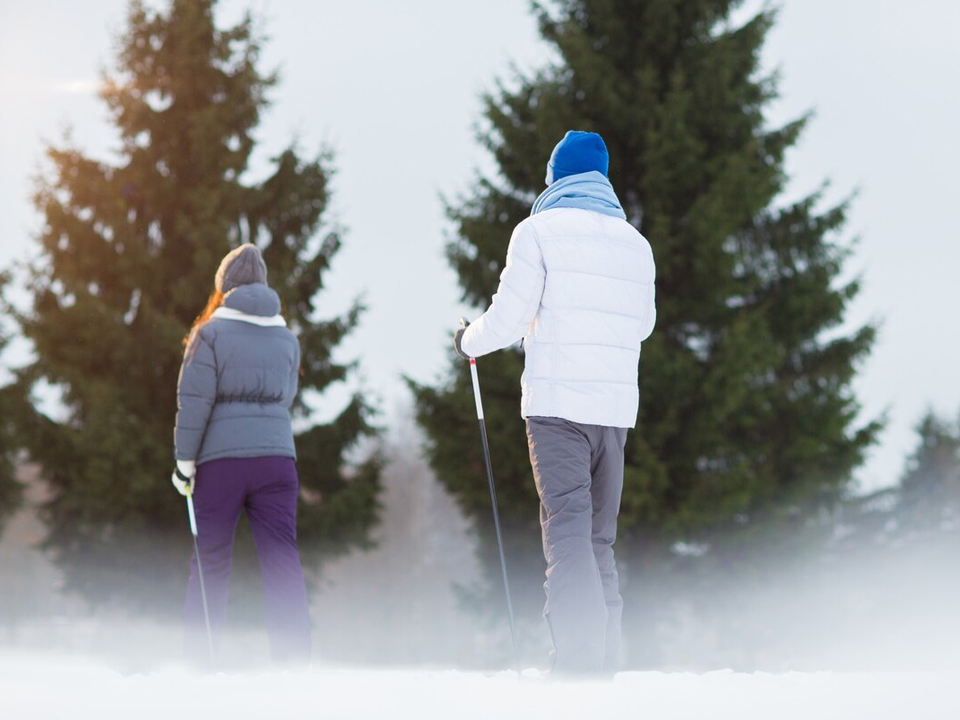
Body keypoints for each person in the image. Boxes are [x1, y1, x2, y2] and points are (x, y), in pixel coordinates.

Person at [454, 130, 656, 676]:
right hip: (613, 415)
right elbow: (643, 325)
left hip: (558, 411)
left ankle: (577, 668)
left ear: (555, 177)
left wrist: (467, 340)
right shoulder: (637, 245)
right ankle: (602, 662)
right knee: (598, 541)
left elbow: (511, 315)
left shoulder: (537, 231)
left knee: (567, 535)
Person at [172, 243, 311, 666]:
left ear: (224, 286)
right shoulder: (286, 337)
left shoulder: (209, 334)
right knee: (281, 558)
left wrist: (184, 464)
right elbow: (285, 396)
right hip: (276, 461)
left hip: (221, 463)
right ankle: (293, 662)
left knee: (211, 561)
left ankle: (200, 661)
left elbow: (193, 401)